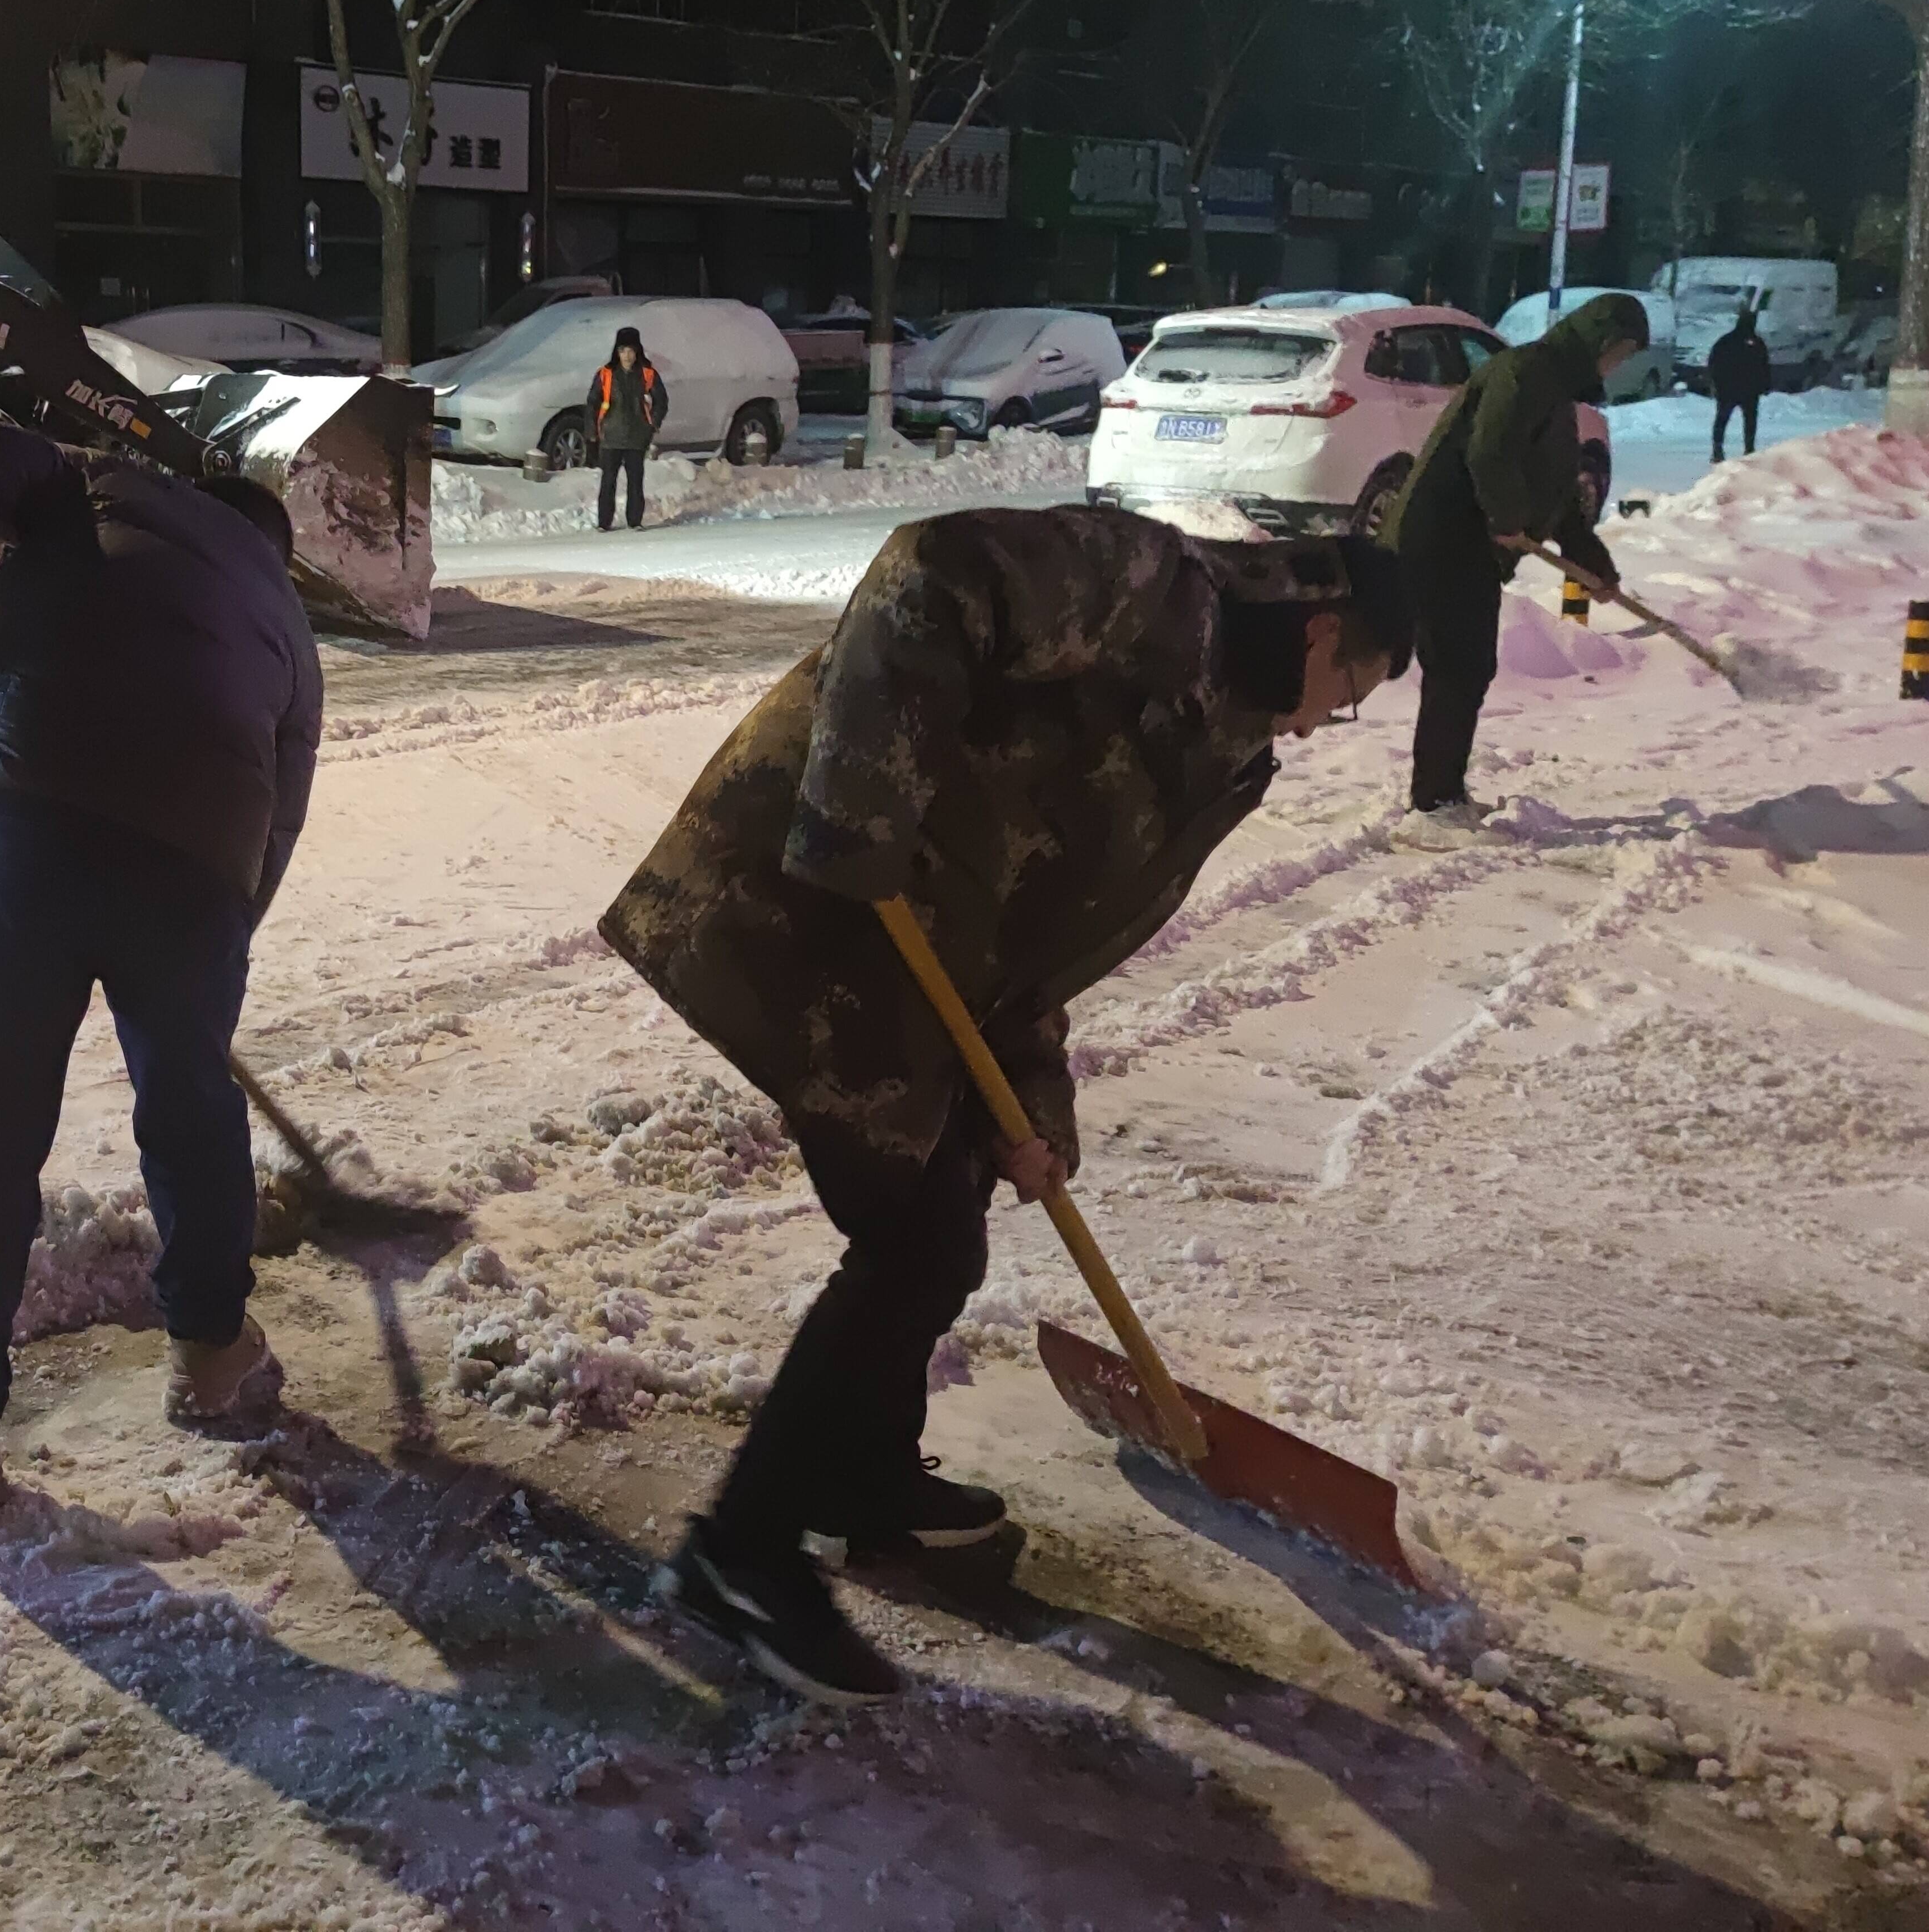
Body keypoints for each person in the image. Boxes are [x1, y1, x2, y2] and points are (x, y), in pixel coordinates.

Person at [600, 507, 1415, 1703]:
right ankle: (740, 1555)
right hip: (811, 896)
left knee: (946, 1218)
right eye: (1345, 690)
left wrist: (1029, 1094)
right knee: (912, 1244)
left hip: (915, 957)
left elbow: (1045, 923)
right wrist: (861, 806)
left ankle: (859, 1483)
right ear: (1323, 630)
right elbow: (929, 568)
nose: (1325, 721)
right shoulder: (1153, 593)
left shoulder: (1219, 753)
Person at [0, 418, 323, 1514]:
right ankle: (211, 1359)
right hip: (200, 867)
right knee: (192, 1103)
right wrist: (207, 956)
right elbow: (281, 817)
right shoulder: (291, 630)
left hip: (31, 821)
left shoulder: (100, 488)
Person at [1382, 290, 1646, 840]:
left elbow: (1554, 492)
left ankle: (1442, 793)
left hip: (1471, 544)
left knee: (1466, 666)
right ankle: (1430, 807)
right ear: (1598, 342)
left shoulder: (1554, 393)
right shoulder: (1523, 373)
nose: (1617, 366)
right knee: (1457, 666)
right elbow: (1490, 453)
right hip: (1442, 535)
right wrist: (1505, 516)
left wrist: (1589, 563)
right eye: (1618, 353)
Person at [588, 325, 667, 529]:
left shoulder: (647, 374)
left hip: (637, 437)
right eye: (623, 350)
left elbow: (662, 400)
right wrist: (592, 430)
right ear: (617, 352)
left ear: (638, 351)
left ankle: (635, 521)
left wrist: (653, 424)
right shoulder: (605, 375)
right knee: (608, 482)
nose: (627, 356)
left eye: (631, 351)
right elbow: (593, 402)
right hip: (611, 436)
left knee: (635, 482)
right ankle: (604, 523)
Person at [1708, 304, 1772, 461]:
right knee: (1750, 421)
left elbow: (1713, 363)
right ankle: (1749, 449)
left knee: (1722, 420)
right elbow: (1765, 366)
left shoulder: (1725, 341)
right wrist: (1765, 385)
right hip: (1750, 390)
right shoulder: (1757, 343)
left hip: (1728, 389)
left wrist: (1715, 383)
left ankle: (1718, 450)